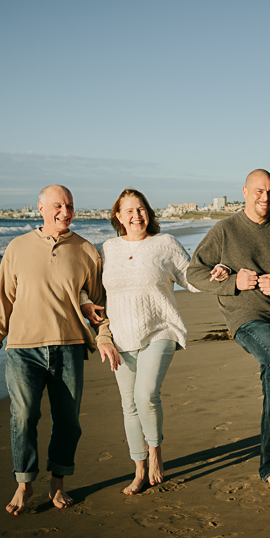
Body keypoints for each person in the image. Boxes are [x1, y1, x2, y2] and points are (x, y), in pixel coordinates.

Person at [0, 185, 120, 515]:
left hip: (69, 346)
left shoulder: (86, 250)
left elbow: (100, 304)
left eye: (69, 205)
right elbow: (3, 299)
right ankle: (25, 484)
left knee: (67, 420)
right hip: (23, 348)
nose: (65, 211)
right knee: (24, 416)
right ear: (40, 208)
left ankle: (58, 484)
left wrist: (104, 337)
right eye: (57, 205)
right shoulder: (17, 247)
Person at [186, 169, 270, 491]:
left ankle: (267, 468)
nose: (265, 198)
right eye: (259, 191)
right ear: (244, 192)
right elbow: (194, 273)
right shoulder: (225, 230)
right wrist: (233, 283)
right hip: (244, 317)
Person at [79, 189, 199, 495]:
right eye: (129, 211)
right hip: (121, 337)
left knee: (146, 396)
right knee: (129, 405)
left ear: (149, 212)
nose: (137, 215)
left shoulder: (165, 243)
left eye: (141, 209)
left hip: (160, 330)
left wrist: (222, 275)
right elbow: (89, 288)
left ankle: (156, 453)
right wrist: (84, 302)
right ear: (118, 217)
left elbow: (191, 277)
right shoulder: (108, 249)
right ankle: (139, 468)